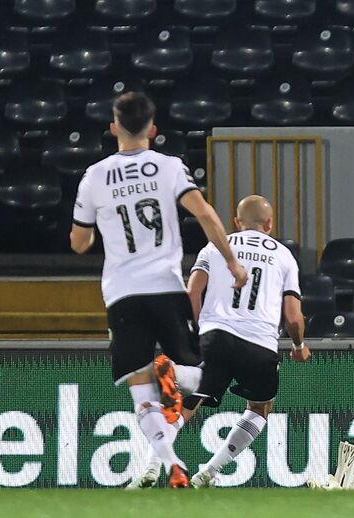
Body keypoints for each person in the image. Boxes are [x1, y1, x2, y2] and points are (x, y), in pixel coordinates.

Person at [71, 92, 247, 489]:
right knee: (198, 381)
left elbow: (79, 243)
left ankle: (171, 463)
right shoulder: (168, 168)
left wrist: (95, 226)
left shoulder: (94, 176)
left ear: (114, 127)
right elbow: (203, 213)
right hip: (167, 287)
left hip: (121, 292)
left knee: (140, 384)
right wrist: (233, 262)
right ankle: (172, 394)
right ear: (153, 129)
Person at [182, 195, 310, 488]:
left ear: (237, 223)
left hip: (216, 335)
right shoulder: (283, 255)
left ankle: (151, 462)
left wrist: (196, 332)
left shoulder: (216, 245)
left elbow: (192, 291)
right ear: (270, 223)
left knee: (189, 402)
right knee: (259, 409)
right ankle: (209, 472)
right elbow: (292, 316)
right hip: (260, 345)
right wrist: (299, 346)